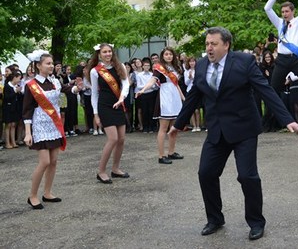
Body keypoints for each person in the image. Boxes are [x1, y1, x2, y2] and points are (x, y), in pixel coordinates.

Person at [167, 27, 298, 241]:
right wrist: (178, 124)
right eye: (207, 44)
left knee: (247, 176)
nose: (209, 48)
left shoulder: (244, 62)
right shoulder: (201, 65)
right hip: (217, 130)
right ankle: (215, 219)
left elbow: (265, 90)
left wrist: (287, 119)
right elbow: (194, 95)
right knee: (206, 173)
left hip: (244, 129)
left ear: (226, 45)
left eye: (213, 44)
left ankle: (256, 222)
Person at [23, 50, 82, 209]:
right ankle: (32, 195)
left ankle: (47, 193)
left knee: (54, 161)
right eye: (48, 64)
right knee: (44, 162)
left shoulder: (55, 81)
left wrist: (76, 88)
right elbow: (27, 110)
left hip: (54, 125)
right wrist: (28, 133)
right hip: (40, 125)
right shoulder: (31, 85)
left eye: (52, 63)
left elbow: (66, 90)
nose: (52, 66)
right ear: (38, 65)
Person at [86, 43, 130, 183]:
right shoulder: (95, 71)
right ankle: (101, 171)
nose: (107, 54)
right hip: (104, 106)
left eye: (109, 51)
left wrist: (122, 98)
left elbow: (126, 84)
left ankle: (116, 169)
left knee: (121, 139)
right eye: (104, 52)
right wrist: (96, 114)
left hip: (118, 104)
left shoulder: (120, 66)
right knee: (113, 139)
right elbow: (94, 94)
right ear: (99, 54)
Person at [136, 47, 185, 164]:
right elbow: (152, 80)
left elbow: (176, 85)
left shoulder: (175, 68)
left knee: (174, 128)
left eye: (170, 54)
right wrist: (143, 90)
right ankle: (161, 155)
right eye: (166, 54)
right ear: (162, 56)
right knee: (163, 128)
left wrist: (183, 98)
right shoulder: (159, 68)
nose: (169, 56)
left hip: (175, 98)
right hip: (165, 97)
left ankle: (171, 152)